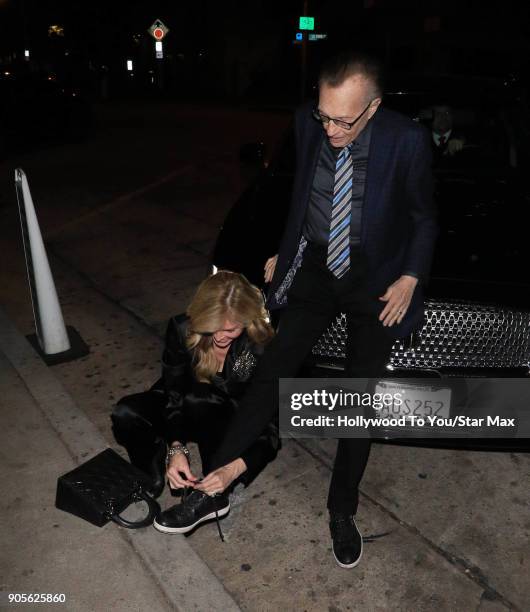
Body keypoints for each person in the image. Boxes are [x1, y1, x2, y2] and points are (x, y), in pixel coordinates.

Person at [197, 51, 438, 568]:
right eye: (323, 115)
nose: (330, 129)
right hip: (316, 273)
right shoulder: (309, 127)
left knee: (358, 400)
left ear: (372, 107)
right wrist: (288, 248)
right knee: (272, 370)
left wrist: (411, 276)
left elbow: (423, 216)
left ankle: (341, 511)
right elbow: (301, 191)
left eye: (342, 120)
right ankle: (212, 483)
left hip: (375, 282)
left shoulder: (407, 140)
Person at [111, 270, 279, 537]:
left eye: (232, 328)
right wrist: (176, 448)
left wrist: (229, 471)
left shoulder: (260, 347)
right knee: (126, 413)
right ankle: (151, 476)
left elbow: (269, 432)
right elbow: (173, 392)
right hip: (187, 405)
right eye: (213, 327)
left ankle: (213, 493)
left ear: (247, 320)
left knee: (201, 398)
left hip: (229, 418)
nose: (221, 336)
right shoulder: (182, 328)